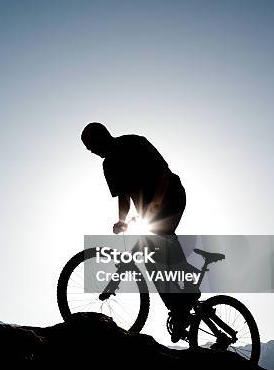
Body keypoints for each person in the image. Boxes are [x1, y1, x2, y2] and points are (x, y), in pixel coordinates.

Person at [81, 122, 197, 342]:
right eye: (88, 149)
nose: (92, 151)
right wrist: (121, 220)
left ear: (103, 136)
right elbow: (123, 196)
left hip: (171, 195)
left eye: (92, 145)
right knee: (152, 258)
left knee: (161, 237)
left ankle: (189, 289)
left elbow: (163, 174)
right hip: (148, 211)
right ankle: (179, 310)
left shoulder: (134, 142)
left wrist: (155, 205)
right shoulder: (108, 166)